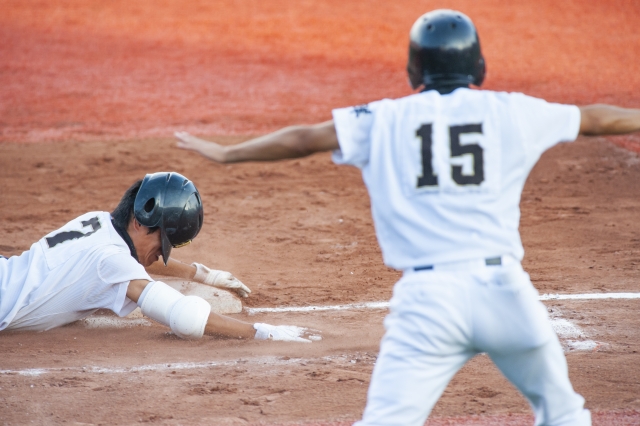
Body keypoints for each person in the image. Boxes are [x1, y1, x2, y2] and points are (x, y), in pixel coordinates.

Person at [173, 9, 640, 425]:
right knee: (563, 415)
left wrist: (227, 154)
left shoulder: (383, 118)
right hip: (506, 294)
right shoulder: (512, 111)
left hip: (428, 302)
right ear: (478, 65)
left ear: (414, 69)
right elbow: (594, 118)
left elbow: (303, 139)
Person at [0, 171, 318, 343]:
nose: (159, 255)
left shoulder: (97, 221)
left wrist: (202, 274)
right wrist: (261, 332)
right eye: (161, 242)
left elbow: (138, 259)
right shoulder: (111, 262)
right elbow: (185, 317)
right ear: (139, 221)